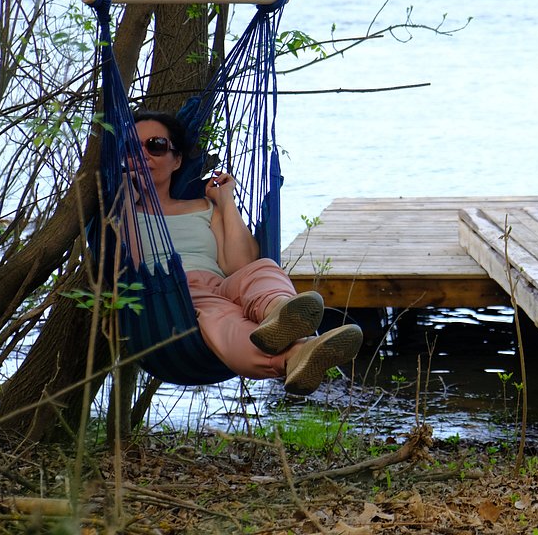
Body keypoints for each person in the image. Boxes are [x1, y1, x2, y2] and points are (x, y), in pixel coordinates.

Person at [123, 110, 361, 395]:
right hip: (171, 295)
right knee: (221, 317)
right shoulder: (119, 214)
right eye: (131, 148)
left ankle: (280, 311)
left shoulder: (204, 207)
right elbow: (127, 269)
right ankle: (294, 354)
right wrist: (125, 203)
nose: (143, 155)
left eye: (156, 146)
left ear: (177, 160)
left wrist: (226, 202)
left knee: (262, 269)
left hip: (220, 283)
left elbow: (239, 264)